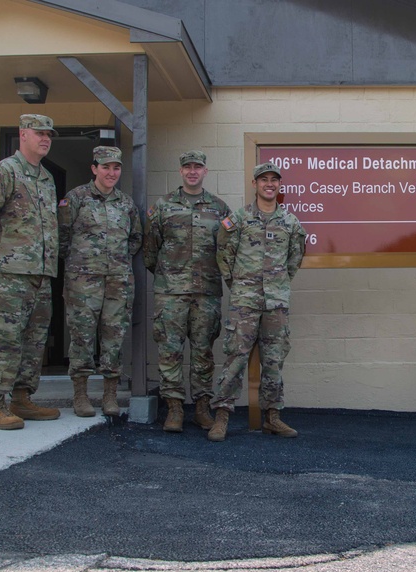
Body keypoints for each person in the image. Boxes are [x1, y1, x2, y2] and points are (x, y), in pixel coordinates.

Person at [0, 114, 61, 429]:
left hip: (40, 274)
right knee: (4, 339)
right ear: (23, 134)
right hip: (9, 275)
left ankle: (22, 398)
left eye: (49, 134)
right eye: (39, 133)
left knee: (35, 341)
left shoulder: (47, 178)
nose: (45, 138)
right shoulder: (4, 171)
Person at [207, 162, 307, 442]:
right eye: (264, 180)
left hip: (276, 302)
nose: (269, 184)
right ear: (255, 184)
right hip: (245, 302)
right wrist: (239, 284)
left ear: (279, 185)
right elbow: (224, 256)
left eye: (274, 180)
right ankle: (222, 416)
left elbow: (294, 260)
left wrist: (277, 285)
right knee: (235, 358)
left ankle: (272, 417)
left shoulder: (290, 222)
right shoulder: (238, 220)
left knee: (274, 360)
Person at [144, 150, 232, 432]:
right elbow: (150, 250)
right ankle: (174, 408)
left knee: (203, 351)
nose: (192, 171)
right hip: (170, 293)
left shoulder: (219, 208)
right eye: (187, 167)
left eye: (198, 167)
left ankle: (202, 407)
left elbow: (228, 250)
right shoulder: (163, 206)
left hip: (206, 293)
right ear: (180, 172)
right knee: (169, 351)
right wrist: (169, 277)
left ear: (206, 171)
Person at [58, 146, 142, 418]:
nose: (111, 172)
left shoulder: (126, 203)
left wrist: (116, 261)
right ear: (94, 168)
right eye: (105, 167)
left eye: (116, 167)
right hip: (83, 281)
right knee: (82, 336)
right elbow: (62, 236)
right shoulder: (76, 199)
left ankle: (109, 395)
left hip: (118, 281)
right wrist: (82, 262)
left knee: (113, 338)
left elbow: (135, 238)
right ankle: (81, 395)